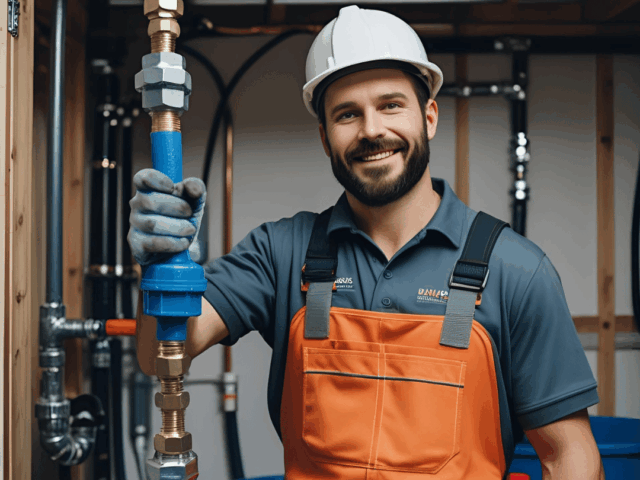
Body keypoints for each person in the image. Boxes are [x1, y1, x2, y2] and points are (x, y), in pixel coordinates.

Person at [130, 5, 604, 479]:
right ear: (324, 136)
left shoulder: (515, 270)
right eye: (347, 114)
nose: (372, 130)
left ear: (430, 116)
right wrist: (162, 271)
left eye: (390, 105)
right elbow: (159, 354)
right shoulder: (280, 253)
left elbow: (569, 456)